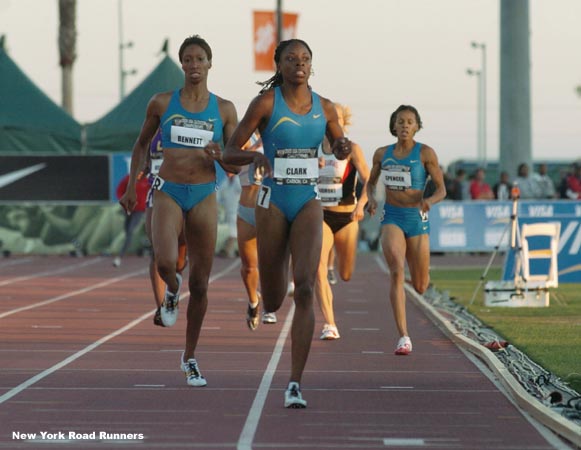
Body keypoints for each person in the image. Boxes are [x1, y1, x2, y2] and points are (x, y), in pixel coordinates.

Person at [223, 38, 351, 408]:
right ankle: (266, 293)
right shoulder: (265, 103)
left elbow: (339, 143)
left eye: (306, 58)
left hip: (308, 200)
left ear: (313, 65)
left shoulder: (325, 108)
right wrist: (256, 158)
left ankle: (294, 383)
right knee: (276, 299)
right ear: (279, 64)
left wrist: (341, 148)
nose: (299, 63)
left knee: (307, 287)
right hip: (272, 201)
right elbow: (232, 150)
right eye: (292, 58)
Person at [119, 35, 239, 387]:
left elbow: (234, 158)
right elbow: (142, 143)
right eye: (188, 59)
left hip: (204, 193)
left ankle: (189, 358)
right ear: (182, 64)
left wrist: (223, 157)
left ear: (210, 63)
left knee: (201, 285)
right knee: (166, 263)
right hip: (168, 189)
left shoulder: (226, 109)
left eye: (200, 58)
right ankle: (172, 291)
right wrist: (130, 185)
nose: (194, 64)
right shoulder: (162, 103)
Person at [366, 105, 446, 356]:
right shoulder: (382, 154)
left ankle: (413, 281)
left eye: (410, 122)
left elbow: (442, 190)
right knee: (397, 270)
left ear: (417, 127)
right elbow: (370, 184)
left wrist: (429, 202)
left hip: (417, 217)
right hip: (392, 216)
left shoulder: (426, 153)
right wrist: (370, 199)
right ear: (393, 126)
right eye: (400, 121)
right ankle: (403, 336)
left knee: (421, 286)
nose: (404, 126)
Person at [315, 103, 370, 340]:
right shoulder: (313, 148)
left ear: (343, 123)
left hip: (347, 217)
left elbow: (369, 180)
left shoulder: (353, 149)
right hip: (320, 214)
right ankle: (329, 323)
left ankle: (336, 267)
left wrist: (361, 205)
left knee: (346, 273)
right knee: (317, 270)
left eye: (336, 119)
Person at [144, 128, 188, 327]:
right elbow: (143, 151)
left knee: (179, 259)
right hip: (156, 192)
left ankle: (173, 287)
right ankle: (161, 306)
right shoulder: (152, 130)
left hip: (182, 193)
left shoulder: (186, 127)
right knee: (157, 252)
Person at [238, 132, 278, 330]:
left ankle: (269, 308)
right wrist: (256, 150)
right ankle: (254, 301)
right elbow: (232, 160)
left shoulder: (280, 133)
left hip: (271, 207)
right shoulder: (244, 133)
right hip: (247, 208)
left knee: (270, 261)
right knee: (249, 267)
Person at [113, 172, 149, 267]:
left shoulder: (147, 181)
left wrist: (147, 206)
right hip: (128, 208)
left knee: (130, 231)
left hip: (140, 210)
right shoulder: (129, 178)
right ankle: (133, 246)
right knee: (126, 230)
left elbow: (151, 193)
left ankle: (120, 256)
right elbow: (119, 190)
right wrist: (123, 201)